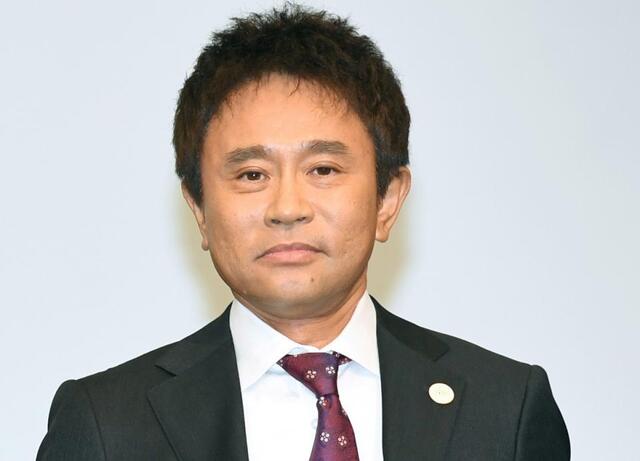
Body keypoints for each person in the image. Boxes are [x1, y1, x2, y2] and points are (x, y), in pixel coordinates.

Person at [37, 4, 569, 460]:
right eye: (252, 175)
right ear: (198, 209)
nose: (287, 208)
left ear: (387, 199)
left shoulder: (504, 408)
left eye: (323, 169)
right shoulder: (108, 424)